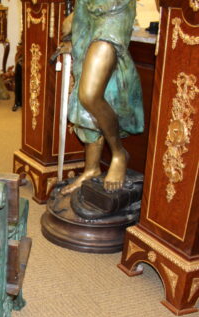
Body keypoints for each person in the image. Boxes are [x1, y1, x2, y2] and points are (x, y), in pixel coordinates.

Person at [59, 0, 143, 195]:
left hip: (112, 17)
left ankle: (118, 153)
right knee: (88, 98)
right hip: (88, 15)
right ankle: (91, 168)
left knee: (89, 95)